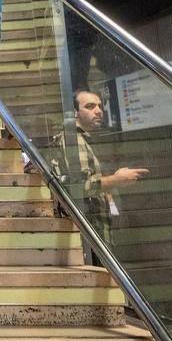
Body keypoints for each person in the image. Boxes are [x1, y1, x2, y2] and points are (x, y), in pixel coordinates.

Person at [50, 89, 149, 244]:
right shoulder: (73, 140)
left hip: (95, 229)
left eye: (99, 106)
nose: (98, 111)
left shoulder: (81, 139)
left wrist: (113, 181)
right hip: (89, 232)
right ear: (75, 112)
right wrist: (117, 180)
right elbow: (80, 186)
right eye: (90, 106)